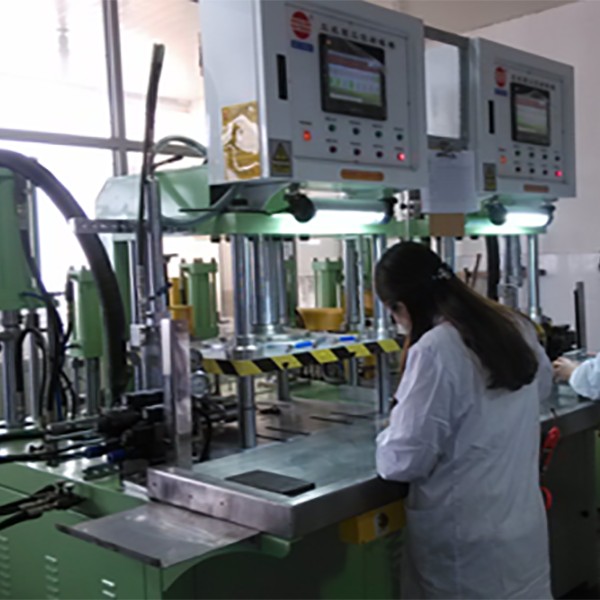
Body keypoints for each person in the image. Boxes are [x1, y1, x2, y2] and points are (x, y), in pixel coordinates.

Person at [374, 241, 553, 600]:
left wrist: (387, 434)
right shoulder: (515, 325)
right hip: (521, 529)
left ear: (402, 307)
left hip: (468, 545)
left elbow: (404, 461)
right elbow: (543, 388)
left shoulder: (436, 349)